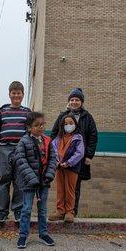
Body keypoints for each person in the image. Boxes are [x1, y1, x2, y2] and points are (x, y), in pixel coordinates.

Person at [50, 88, 98, 216]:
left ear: (81, 102)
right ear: (68, 102)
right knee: (61, 186)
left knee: (74, 185)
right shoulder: (62, 116)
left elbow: (93, 136)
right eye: (72, 100)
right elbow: (54, 134)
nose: (74, 102)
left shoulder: (88, 117)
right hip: (60, 158)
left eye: (77, 100)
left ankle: (72, 212)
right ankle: (60, 210)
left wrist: (89, 155)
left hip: (78, 158)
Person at [0, 81, 31, 223]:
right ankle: (1, 212)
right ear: (9, 94)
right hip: (4, 149)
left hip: (21, 150)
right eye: (13, 93)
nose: (16, 96)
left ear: (22, 94)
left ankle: (18, 211)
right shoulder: (2, 111)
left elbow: (31, 132)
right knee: (3, 180)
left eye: (18, 93)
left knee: (19, 181)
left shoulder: (27, 112)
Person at [15, 112, 57, 249]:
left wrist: (49, 175)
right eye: (36, 125)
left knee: (43, 209)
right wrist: (32, 178)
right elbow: (20, 160)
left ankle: (43, 233)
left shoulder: (48, 141)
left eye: (42, 124)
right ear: (29, 127)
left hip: (43, 182)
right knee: (26, 209)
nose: (40, 127)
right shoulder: (23, 141)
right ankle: (23, 235)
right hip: (29, 182)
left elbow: (52, 159)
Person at [49, 114, 84, 222]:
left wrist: (69, 162)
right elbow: (54, 150)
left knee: (70, 190)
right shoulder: (58, 138)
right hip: (59, 167)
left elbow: (80, 153)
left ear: (75, 124)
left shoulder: (78, 137)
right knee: (60, 189)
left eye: (70, 123)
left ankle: (70, 212)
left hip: (71, 167)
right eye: (65, 124)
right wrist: (58, 162)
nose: (68, 125)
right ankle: (60, 211)